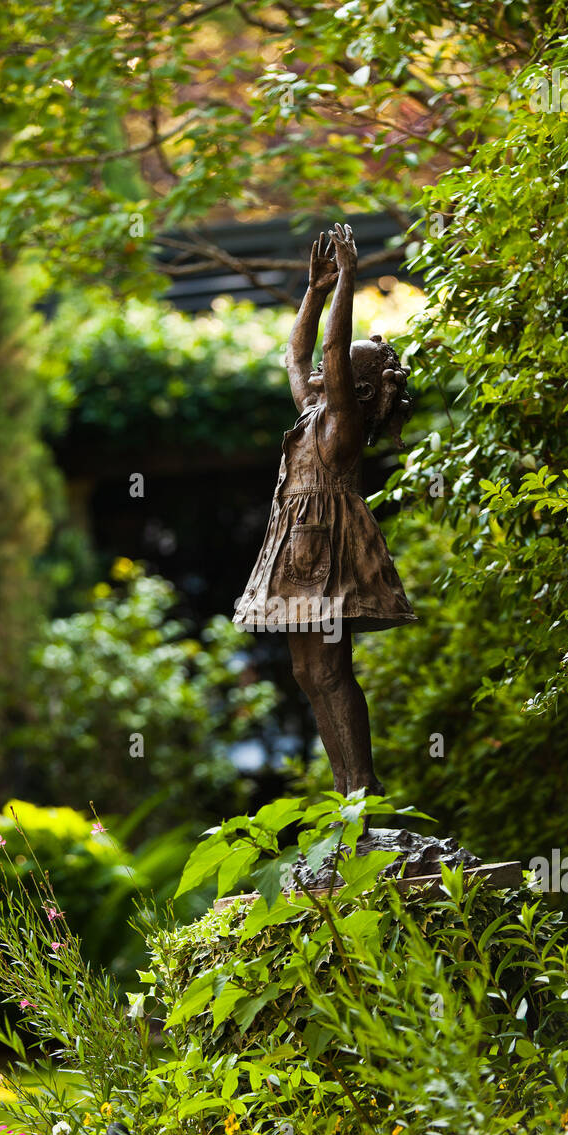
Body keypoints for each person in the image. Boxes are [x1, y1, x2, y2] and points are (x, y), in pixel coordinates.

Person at [233, 222, 416, 795]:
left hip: (327, 553)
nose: (322, 369)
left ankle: (363, 789)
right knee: (308, 672)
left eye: (339, 370)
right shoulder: (314, 413)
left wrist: (350, 283)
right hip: (296, 547)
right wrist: (314, 291)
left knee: (333, 671)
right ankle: (347, 795)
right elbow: (296, 355)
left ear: (356, 389)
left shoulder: (343, 422)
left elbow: (333, 348)